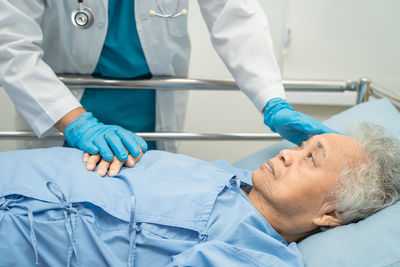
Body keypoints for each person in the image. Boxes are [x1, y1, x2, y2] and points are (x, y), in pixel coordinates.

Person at [0, 0, 336, 175]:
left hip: (150, 106)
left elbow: (237, 16)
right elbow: (11, 42)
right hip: (62, 104)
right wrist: (74, 122)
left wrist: (272, 101)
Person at [0, 122, 399, 266]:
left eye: (311, 158)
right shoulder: (229, 176)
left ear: (330, 214)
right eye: (300, 146)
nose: (286, 152)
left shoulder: (253, 256)